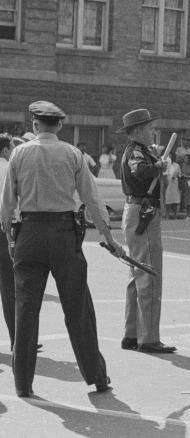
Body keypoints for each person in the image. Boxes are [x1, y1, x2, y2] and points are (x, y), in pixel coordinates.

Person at [0, 101, 124, 397]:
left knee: (26, 310)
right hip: (63, 233)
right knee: (78, 308)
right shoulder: (73, 154)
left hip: (29, 232)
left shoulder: (18, 153)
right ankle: (96, 376)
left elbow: (7, 205)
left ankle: (23, 383)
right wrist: (109, 238)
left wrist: (11, 240)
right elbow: (92, 201)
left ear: (34, 126)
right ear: (59, 126)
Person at [118, 108, 177, 354]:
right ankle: (148, 338)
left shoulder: (142, 151)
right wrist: (159, 165)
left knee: (137, 276)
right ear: (138, 131)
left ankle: (133, 334)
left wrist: (156, 162)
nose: (153, 132)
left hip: (138, 210)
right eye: (149, 128)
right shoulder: (135, 152)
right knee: (149, 275)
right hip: (143, 214)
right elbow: (140, 171)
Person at [0, 134, 16, 347]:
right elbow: (13, 204)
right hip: (4, 232)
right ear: (5, 150)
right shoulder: (8, 169)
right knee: (10, 287)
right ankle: (17, 338)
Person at [163, 154, 181, 219]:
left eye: (171, 156)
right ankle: (167, 215)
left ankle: (175, 215)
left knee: (175, 199)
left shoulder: (176, 165)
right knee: (167, 199)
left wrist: (176, 176)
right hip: (167, 182)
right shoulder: (165, 164)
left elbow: (179, 174)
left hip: (175, 183)